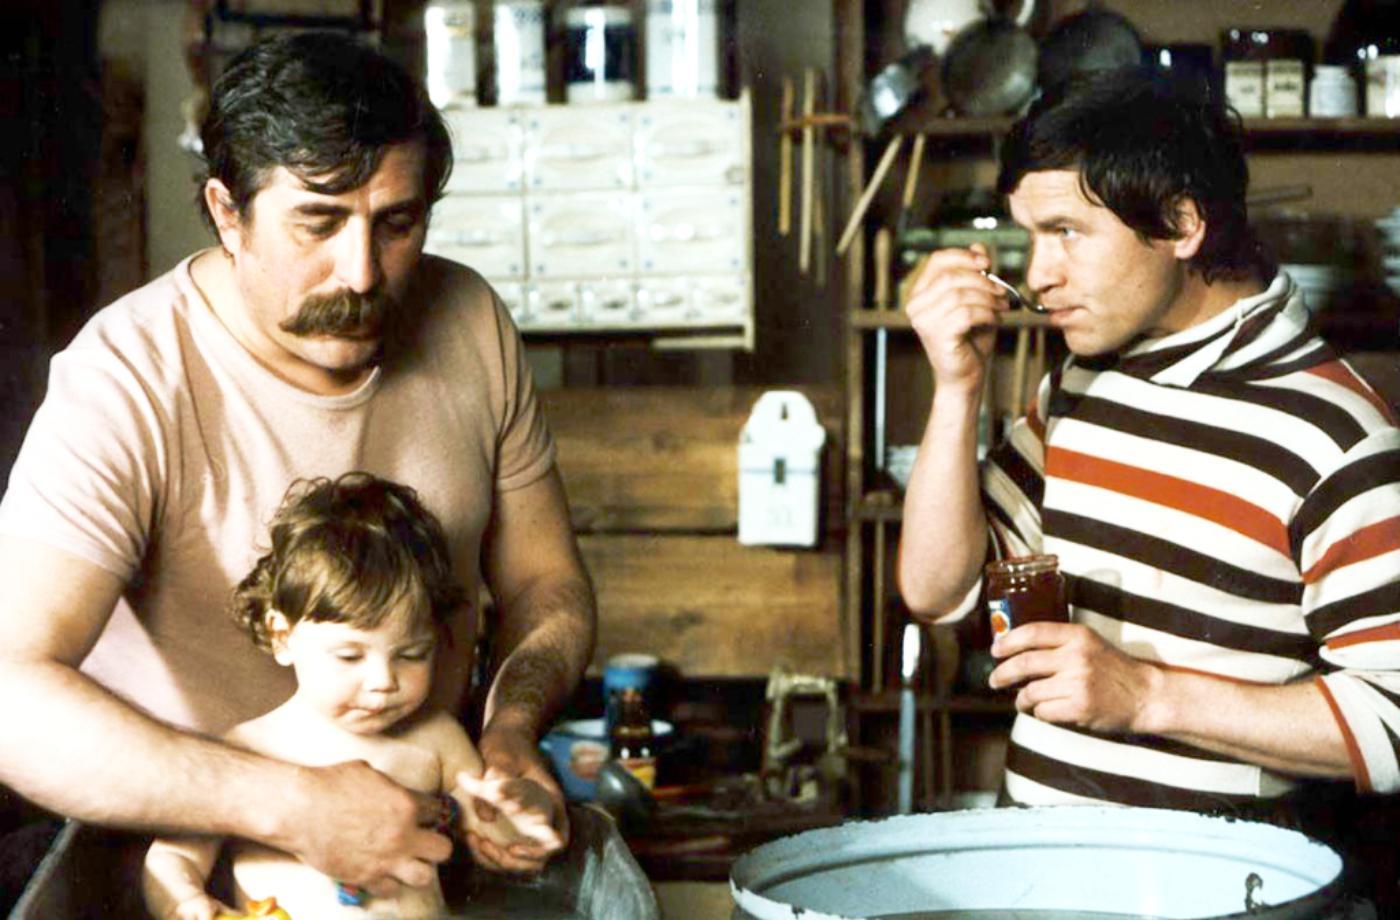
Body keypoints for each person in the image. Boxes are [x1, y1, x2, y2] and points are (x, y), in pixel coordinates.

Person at [0, 30, 595, 900]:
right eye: (318, 222)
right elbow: (10, 695)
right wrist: (292, 805)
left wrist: (510, 731)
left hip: (430, 835)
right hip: (184, 867)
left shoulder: (469, 319)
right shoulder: (125, 377)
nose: (362, 273)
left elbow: (547, 582)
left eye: (397, 224)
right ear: (227, 213)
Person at [898, 68, 1400, 825]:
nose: (1037, 275)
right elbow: (937, 591)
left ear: (1180, 224)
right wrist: (957, 387)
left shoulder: (1337, 434)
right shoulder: (1082, 382)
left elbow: (1392, 723)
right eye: (1029, 236)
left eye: (1066, 232)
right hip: (1034, 859)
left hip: (1214, 880)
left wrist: (1147, 695)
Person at [143, 473, 559, 919]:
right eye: (349, 656)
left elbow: (493, 833)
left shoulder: (438, 741)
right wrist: (185, 904)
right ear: (281, 636)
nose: (383, 680)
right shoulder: (248, 750)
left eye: (412, 654)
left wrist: (523, 807)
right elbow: (174, 857)